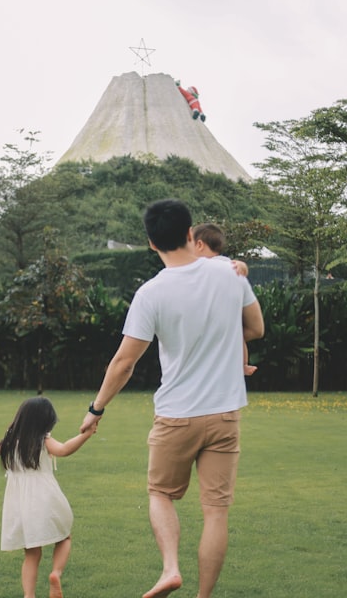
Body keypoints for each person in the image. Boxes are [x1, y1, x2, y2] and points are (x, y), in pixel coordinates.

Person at [81, 199, 264, 598]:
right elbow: (255, 327)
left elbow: (124, 362)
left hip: (176, 415)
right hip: (225, 414)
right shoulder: (229, 274)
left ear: (150, 243)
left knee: (161, 494)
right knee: (215, 512)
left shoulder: (151, 293)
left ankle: (170, 569)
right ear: (189, 234)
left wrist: (96, 409)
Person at [0, 396, 96, 598]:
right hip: (47, 498)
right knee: (64, 536)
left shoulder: (9, 443)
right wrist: (86, 435)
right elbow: (64, 450)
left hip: (20, 505)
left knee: (31, 552)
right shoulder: (43, 440)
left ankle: (29, 595)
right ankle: (55, 573)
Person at [191, 222, 258, 377]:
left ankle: (242, 365)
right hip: (229, 316)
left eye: (190, 244)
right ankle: (243, 365)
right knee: (238, 338)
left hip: (210, 320)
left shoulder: (204, 266)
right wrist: (243, 266)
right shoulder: (228, 264)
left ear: (200, 245)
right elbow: (241, 268)